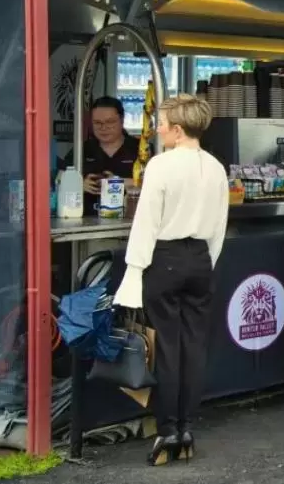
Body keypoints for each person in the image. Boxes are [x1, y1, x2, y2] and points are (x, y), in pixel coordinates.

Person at [112, 95, 228, 466]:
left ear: (177, 130)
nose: (157, 129)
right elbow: (220, 228)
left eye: (161, 124)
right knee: (193, 346)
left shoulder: (160, 166)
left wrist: (133, 272)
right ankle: (186, 426)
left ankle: (167, 430)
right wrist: (204, 260)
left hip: (164, 259)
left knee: (165, 347)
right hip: (200, 260)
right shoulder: (215, 167)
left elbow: (146, 224)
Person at [61, 96, 139, 215]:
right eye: (98, 123)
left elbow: (156, 183)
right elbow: (58, 178)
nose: (104, 128)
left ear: (122, 120)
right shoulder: (82, 149)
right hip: (87, 220)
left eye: (110, 122)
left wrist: (119, 183)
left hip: (130, 219)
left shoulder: (140, 149)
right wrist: (78, 184)